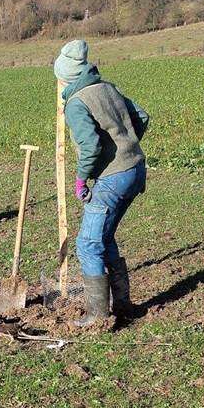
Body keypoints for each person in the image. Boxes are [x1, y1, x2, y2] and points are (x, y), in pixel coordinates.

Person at [54, 39, 149, 325]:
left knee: (87, 245)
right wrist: (126, 147)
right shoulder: (107, 87)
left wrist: (81, 179)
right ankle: (123, 306)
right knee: (105, 239)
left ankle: (96, 317)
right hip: (136, 169)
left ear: (65, 77)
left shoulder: (76, 102)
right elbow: (141, 116)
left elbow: (91, 147)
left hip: (113, 179)